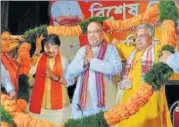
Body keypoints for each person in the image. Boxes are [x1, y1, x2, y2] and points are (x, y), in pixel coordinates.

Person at [115, 23, 172, 127]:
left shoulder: (157, 50)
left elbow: (169, 47)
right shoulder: (131, 53)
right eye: (137, 36)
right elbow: (116, 45)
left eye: (143, 36)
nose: (138, 39)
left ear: (151, 37)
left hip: (149, 104)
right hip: (131, 105)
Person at [64, 22, 122, 119]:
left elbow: (116, 68)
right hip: (83, 102)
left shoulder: (111, 49)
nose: (92, 35)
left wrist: (93, 61)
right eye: (89, 32)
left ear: (102, 33)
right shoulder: (82, 51)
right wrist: (84, 63)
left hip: (104, 101)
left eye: (95, 32)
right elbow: (70, 71)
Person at [29, 34, 70, 124]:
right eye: (48, 47)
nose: (51, 50)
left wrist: (53, 76)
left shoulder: (64, 60)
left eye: (54, 47)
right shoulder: (39, 58)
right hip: (40, 107)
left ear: (59, 47)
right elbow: (30, 70)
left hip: (59, 107)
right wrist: (37, 50)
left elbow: (69, 81)